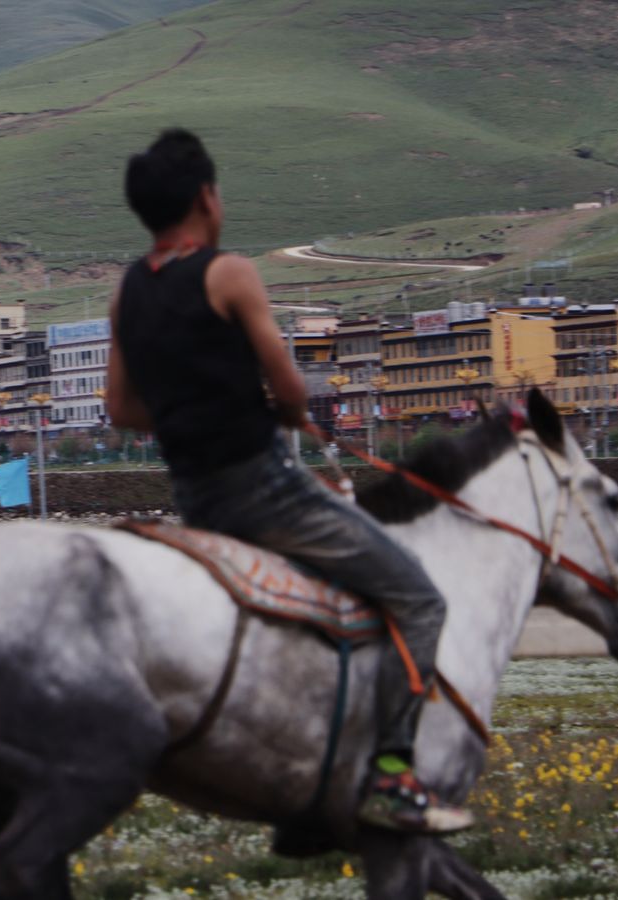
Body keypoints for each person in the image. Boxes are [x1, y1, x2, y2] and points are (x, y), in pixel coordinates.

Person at [104, 128, 473, 835]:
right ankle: (393, 776)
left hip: (194, 501)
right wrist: (283, 412)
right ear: (206, 198)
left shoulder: (126, 293)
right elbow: (292, 388)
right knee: (420, 598)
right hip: (267, 491)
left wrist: (189, 411)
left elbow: (120, 409)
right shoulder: (229, 273)